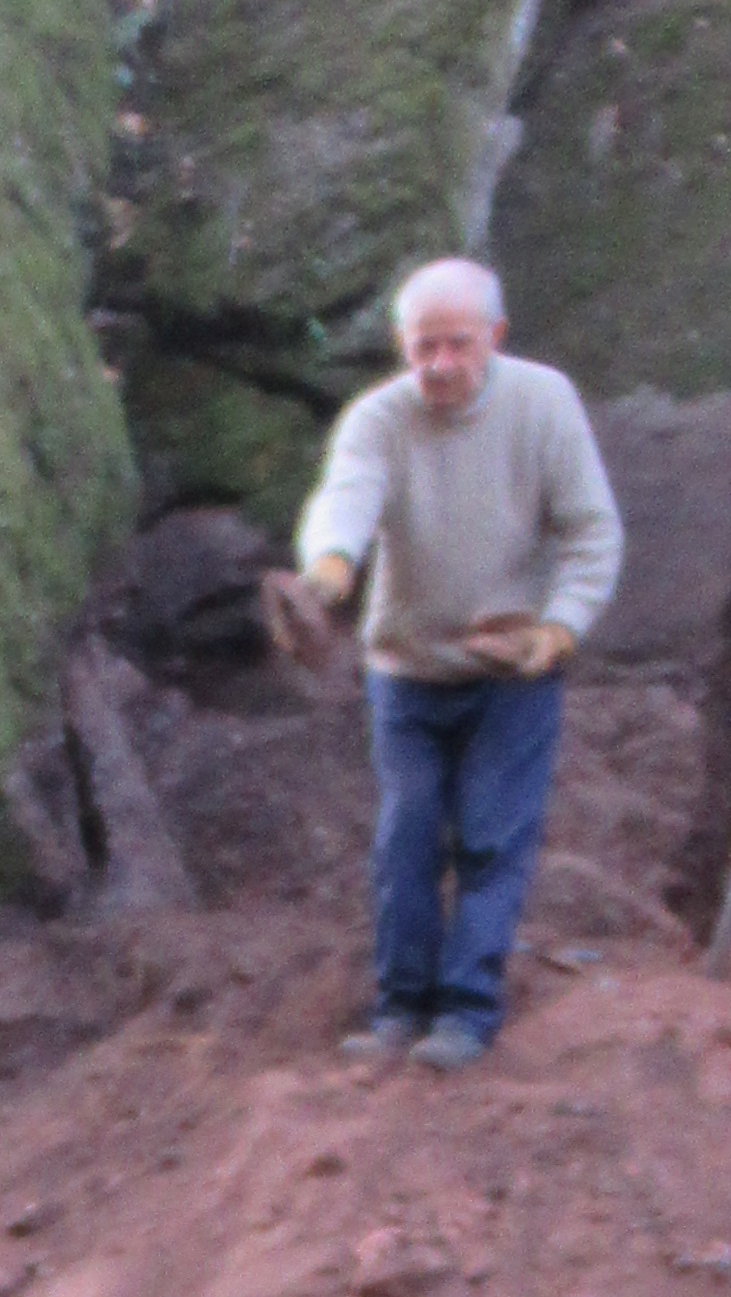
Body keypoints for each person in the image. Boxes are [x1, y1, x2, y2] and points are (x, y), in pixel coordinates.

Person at [267, 255, 624, 1072]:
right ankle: (400, 1006)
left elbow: (592, 530)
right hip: (406, 669)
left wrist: (558, 630)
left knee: (495, 839)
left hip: (512, 675)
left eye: (458, 344)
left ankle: (467, 1012)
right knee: (406, 838)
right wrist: (328, 569)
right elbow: (349, 493)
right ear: (402, 344)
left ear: (495, 336)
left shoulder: (544, 403)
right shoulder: (379, 419)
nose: (439, 364)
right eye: (423, 346)